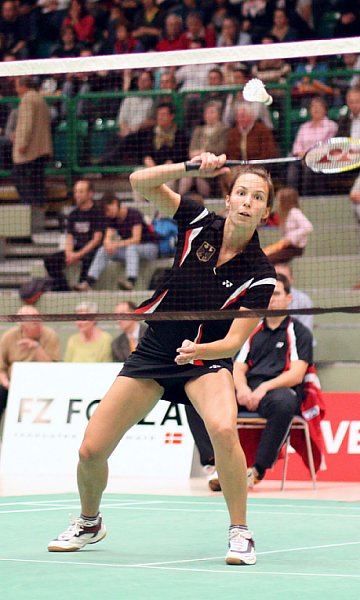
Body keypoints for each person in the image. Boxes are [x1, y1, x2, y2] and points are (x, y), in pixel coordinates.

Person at [47, 152, 277, 566]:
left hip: (205, 359)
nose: (246, 201)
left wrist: (199, 352)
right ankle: (88, 521)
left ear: (265, 211)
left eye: (256, 197)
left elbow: (235, 341)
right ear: (228, 199)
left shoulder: (260, 271)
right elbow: (140, 180)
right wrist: (190, 168)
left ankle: (240, 532)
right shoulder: (198, 223)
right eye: (240, 192)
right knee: (90, 451)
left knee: (225, 428)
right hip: (156, 351)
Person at [205, 274, 313, 491]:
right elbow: (238, 367)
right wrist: (242, 388)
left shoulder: (299, 333)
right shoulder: (252, 330)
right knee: (200, 398)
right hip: (247, 392)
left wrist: (263, 388)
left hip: (277, 391)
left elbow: (297, 374)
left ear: (289, 298)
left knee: (284, 403)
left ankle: (256, 471)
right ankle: (215, 463)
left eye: (277, 294)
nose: (271, 299)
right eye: (268, 295)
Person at [76, 192, 159, 291]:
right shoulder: (112, 219)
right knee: (103, 250)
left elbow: (136, 239)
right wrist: (108, 244)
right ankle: (89, 282)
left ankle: (131, 281)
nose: (107, 214)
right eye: (105, 212)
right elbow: (107, 238)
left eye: (108, 210)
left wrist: (115, 244)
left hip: (150, 249)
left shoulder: (134, 214)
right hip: (130, 251)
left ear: (115, 203)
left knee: (132, 248)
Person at [0, 305, 60, 420]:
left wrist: (36, 347)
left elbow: (52, 368)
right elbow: (1, 368)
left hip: (41, 384)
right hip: (12, 384)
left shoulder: (50, 335)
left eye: (40, 321)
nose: (40, 326)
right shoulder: (8, 337)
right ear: (24, 327)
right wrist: (7, 384)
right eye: (35, 324)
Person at [44, 179, 105, 292]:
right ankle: (63, 289)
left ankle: (83, 285)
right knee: (50, 260)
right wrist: (69, 253)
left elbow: (96, 239)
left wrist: (77, 255)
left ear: (90, 193)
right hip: (77, 248)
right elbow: (70, 237)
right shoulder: (73, 214)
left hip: (92, 249)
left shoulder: (97, 212)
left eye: (81, 192)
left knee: (89, 257)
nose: (77, 195)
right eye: (76, 191)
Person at [12, 76, 53, 232]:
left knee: (18, 173)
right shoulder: (40, 98)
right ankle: (40, 204)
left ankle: (30, 203)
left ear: (23, 86)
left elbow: (27, 123)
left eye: (17, 85)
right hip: (42, 147)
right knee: (37, 178)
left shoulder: (28, 99)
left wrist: (22, 142)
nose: (16, 89)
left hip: (31, 148)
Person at [287, 96, 337, 195]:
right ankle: (292, 197)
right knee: (292, 170)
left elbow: (328, 146)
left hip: (321, 159)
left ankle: (307, 199)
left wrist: (309, 155)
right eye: (313, 106)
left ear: (325, 110)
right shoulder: (304, 127)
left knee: (308, 169)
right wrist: (301, 154)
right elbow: (297, 145)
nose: (316, 109)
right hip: (302, 158)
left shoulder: (331, 126)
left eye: (319, 106)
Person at [178, 101, 229, 198]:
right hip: (197, 162)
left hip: (214, 164)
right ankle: (179, 200)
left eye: (212, 112)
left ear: (219, 114)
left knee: (200, 177)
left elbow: (221, 148)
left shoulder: (224, 129)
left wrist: (204, 152)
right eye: (207, 112)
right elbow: (192, 150)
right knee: (187, 175)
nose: (208, 115)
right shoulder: (198, 130)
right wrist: (199, 154)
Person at [263, 186, 313, 264]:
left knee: (268, 260)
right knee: (264, 255)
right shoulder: (286, 214)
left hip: (295, 249)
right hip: (287, 247)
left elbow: (308, 227)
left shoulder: (295, 212)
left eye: (279, 199)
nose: (277, 202)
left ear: (285, 201)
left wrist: (290, 238)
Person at [274, 262, 314, 333]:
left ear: (292, 279)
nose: (279, 282)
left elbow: (305, 332)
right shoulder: (261, 299)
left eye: (283, 278)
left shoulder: (303, 300)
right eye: (276, 277)